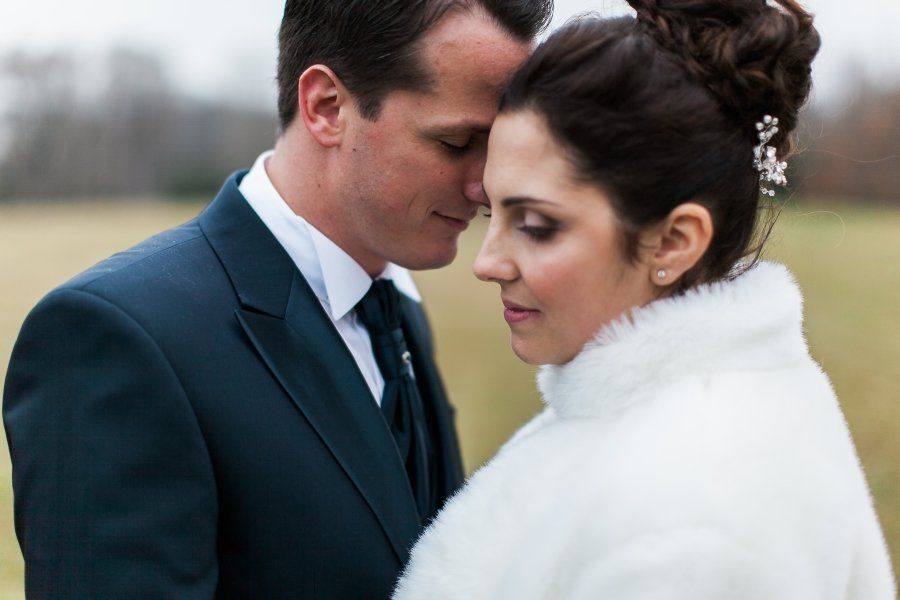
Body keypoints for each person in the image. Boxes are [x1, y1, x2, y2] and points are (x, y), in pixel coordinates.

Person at [2, 1, 552, 597]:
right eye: (456, 142)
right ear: (326, 107)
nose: (486, 186)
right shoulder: (117, 336)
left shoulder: (396, 308)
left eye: (493, 146)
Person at [394, 1, 896, 598]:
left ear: (675, 242)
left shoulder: (690, 515)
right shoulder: (646, 423)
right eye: (490, 213)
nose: (486, 262)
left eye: (535, 225)